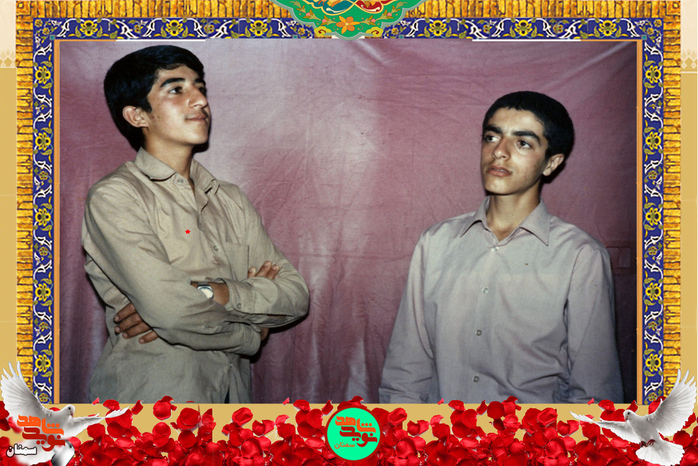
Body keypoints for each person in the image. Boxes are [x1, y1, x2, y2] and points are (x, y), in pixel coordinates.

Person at [82, 45, 309, 403]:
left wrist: (216, 292)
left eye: (200, 88)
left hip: (234, 410)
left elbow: (295, 295)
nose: (200, 100)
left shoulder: (230, 199)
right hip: (152, 411)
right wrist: (253, 332)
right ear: (137, 115)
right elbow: (172, 313)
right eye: (176, 89)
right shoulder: (115, 197)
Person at [379, 91, 623, 404]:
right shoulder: (436, 242)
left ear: (551, 163)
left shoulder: (580, 256)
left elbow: (594, 394)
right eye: (492, 137)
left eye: (522, 143)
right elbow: (405, 374)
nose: (499, 152)